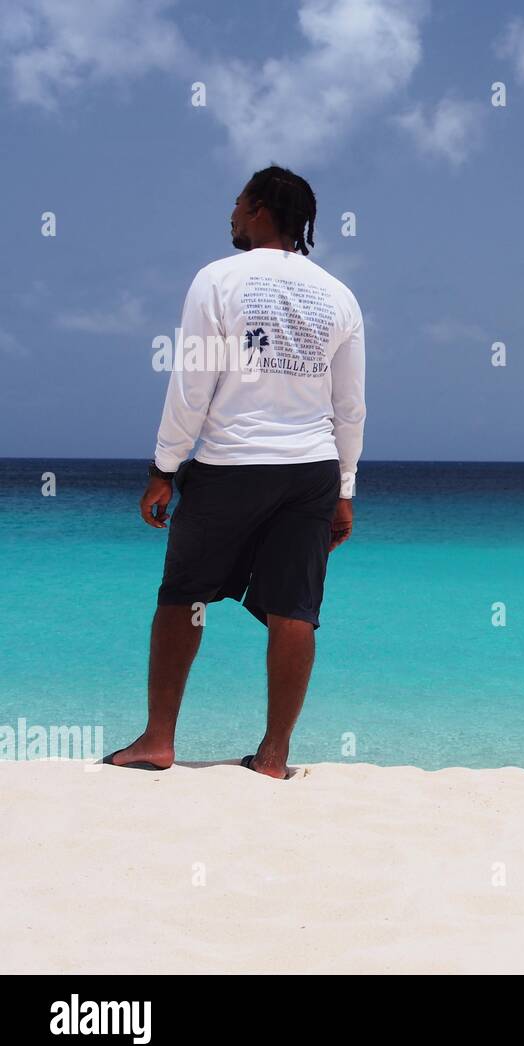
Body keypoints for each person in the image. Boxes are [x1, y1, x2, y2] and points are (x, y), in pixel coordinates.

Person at [103, 165, 366, 780]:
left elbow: (192, 381)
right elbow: (349, 406)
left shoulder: (216, 279)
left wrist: (164, 467)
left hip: (231, 464)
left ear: (257, 211)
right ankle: (273, 758)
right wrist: (345, 489)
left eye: (238, 204)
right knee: (295, 610)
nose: (231, 214)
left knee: (183, 598)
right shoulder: (339, 295)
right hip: (311, 470)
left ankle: (157, 741)